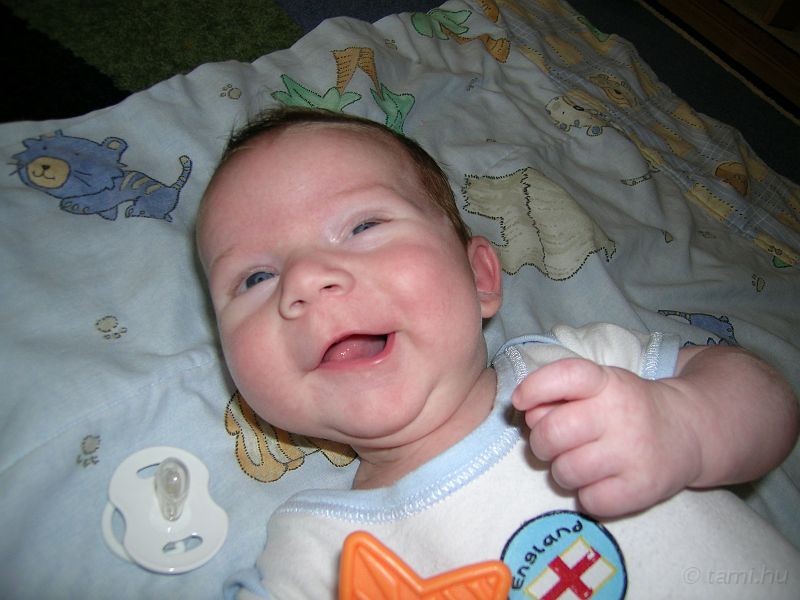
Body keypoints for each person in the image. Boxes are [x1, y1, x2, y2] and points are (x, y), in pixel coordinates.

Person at [197, 107, 799, 598]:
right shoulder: (316, 557)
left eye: (362, 227)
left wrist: (687, 421)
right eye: (255, 277)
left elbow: (765, 396)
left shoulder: (573, 369)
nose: (306, 279)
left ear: (480, 276)